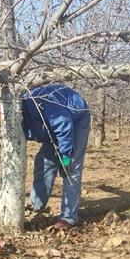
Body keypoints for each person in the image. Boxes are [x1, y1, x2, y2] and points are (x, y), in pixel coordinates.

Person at [21, 84, 91, 230]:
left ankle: (68, 218)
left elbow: (64, 124)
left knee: (70, 169)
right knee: (43, 161)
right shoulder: (13, 120)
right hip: (52, 129)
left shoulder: (36, 102)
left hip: (75, 119)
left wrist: (65, 157)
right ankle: (36, 205)